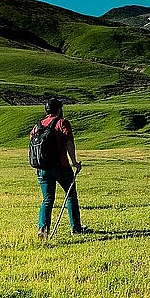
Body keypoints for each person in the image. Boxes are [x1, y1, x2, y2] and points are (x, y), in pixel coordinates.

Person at [31, 98, 87, 239]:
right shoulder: (62, 123)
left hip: (43, 168)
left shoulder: (37, 126)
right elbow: (69, 142)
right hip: (61, 166)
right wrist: (74, 162)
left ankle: (43, 230)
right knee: (71, 195)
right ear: (59, 109)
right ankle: (76, 228)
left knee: (47, 199)